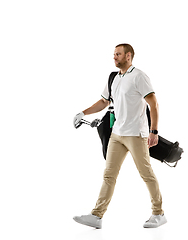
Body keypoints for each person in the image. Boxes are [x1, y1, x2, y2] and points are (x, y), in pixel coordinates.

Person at [73, 43, 166, 229]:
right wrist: (83, 113)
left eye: (118, 54)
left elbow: (153, 104)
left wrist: (153, 131)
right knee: (109, 175)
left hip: (136, 134)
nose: (114, 57)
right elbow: (103, 101)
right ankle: (97, 216)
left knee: (146, 173)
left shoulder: (139, 76)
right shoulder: (114, 78)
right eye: (114, 54)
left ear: (128, 56)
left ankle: (158, 213)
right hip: (117, 134)